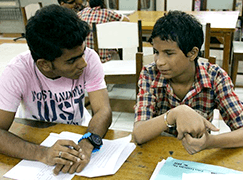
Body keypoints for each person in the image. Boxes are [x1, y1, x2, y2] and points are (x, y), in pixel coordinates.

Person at [0, 4, 112, 175]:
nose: (83, 63)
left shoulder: (89, 58)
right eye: (72, 60)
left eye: (82, 53)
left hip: (78, 133)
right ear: (44, 65)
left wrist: (88, 142)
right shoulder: (17, 72)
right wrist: (42, 153)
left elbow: (103, 110)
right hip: (34, 137)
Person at [133, 10, 243, 155]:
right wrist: (174, 114)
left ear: (192, 53)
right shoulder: (150, 74)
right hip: (158, 153)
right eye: (156, 52)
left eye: (169, 53)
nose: (159, 62)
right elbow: (138, 134)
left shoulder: (215, 77)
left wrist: (210, 142)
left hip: (198, 155)